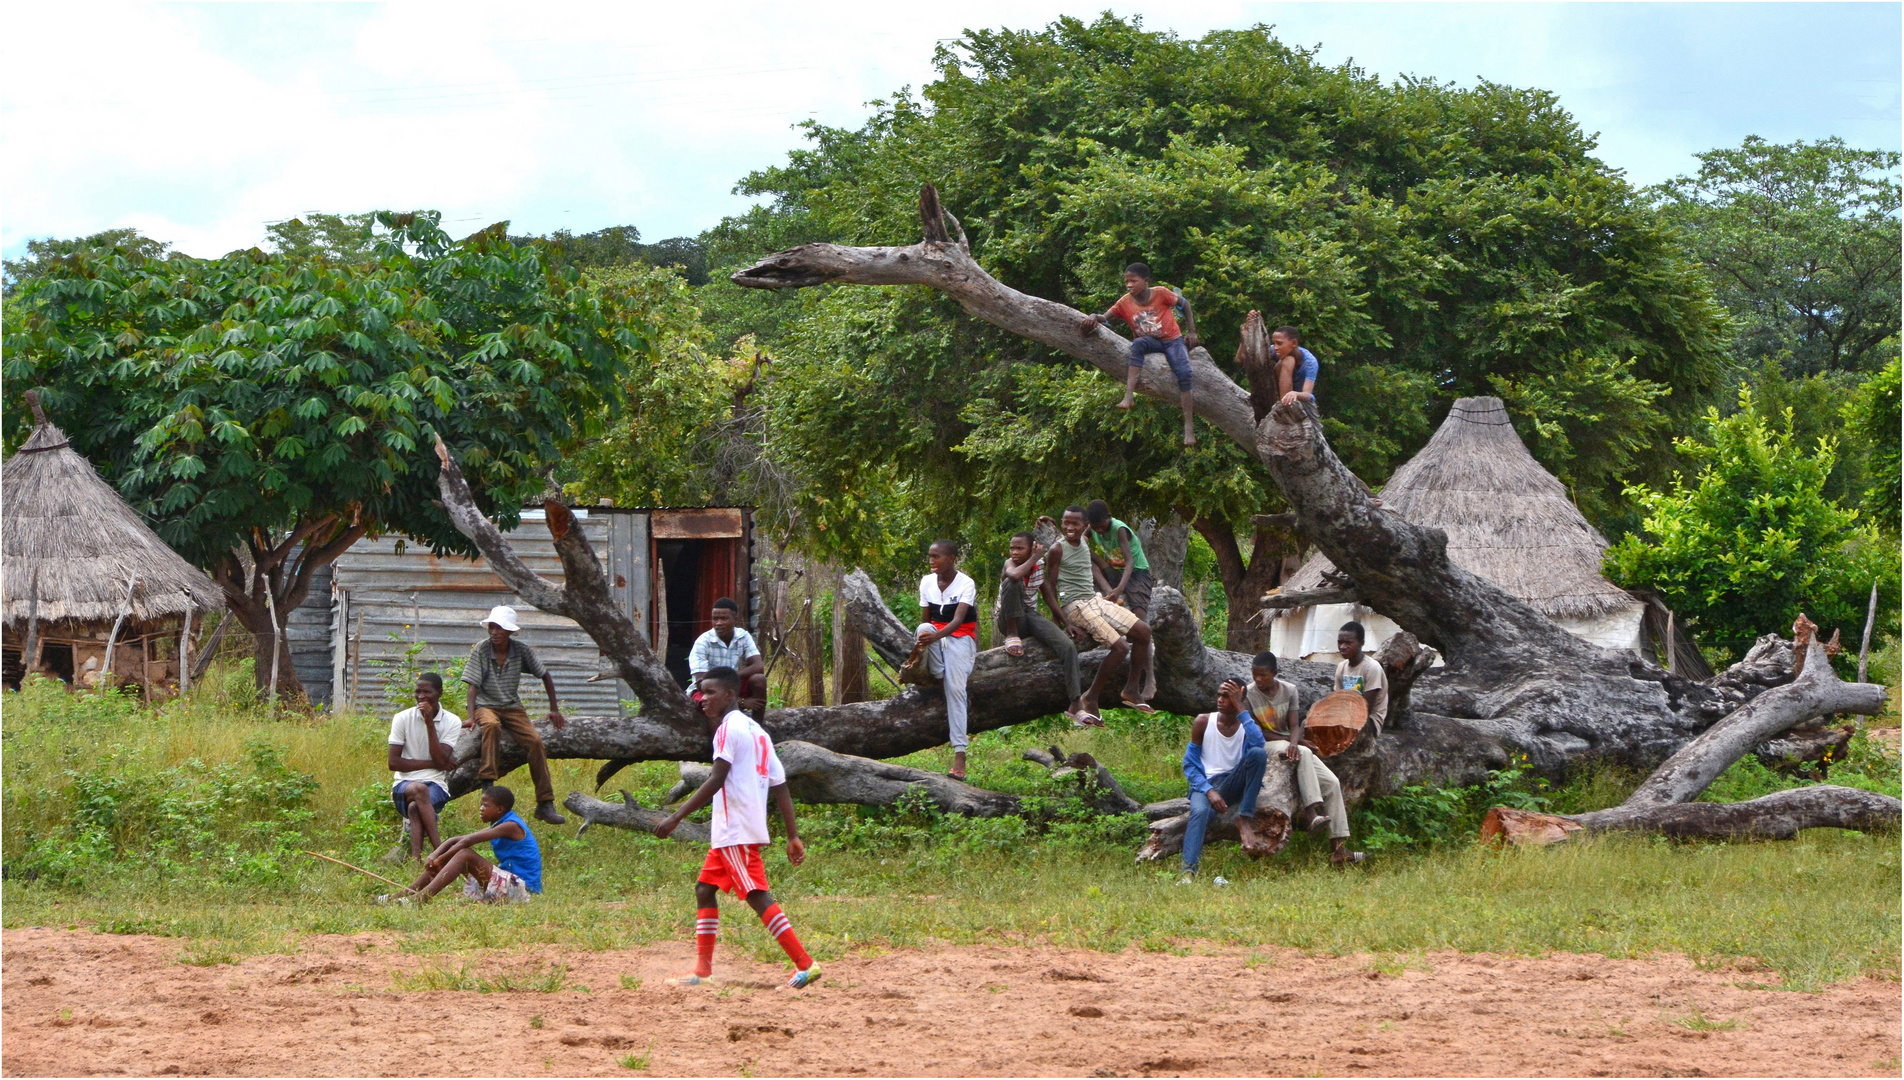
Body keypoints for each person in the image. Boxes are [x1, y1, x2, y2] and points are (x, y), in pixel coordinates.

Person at [656, 667, 820, 990]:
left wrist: (676, 817)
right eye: (701, 692)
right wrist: (792, 835)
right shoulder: (758, 732)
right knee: (704, 889)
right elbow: (780, 784)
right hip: (733, 830)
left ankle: (805, 963)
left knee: (757, 894)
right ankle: (703, 971)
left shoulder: (727, 730)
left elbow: (716, 779)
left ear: (730, 695)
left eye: (711, 693)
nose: (703, 699)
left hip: (736, 829)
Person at [1228, 653, 1363, 867]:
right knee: (1301, 751)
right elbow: (1257, 732)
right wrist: (1292, 743)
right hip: (1264, 746)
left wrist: (1294, 743)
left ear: (1274, 674)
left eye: (1263, 675)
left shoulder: (1289, 690)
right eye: (1255, 675)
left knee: (1332, 783)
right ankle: (1311, 812)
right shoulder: (1250, 695)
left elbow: (1294, 725)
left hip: (1290, 745)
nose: (1258, 679)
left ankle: (1338, 848)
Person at [461, 605, 567, 825]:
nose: (495, 632)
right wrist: (471, 716)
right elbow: (472, 686)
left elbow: (545, 675)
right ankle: (488, 781)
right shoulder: (482, 649)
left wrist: (554, 709)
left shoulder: (520, 650)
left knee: (535, 741)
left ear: (509, 631)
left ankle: (545, 803)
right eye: (492, 627)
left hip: (512, 706)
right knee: (490, 726)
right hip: (486, 705)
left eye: (500, 628)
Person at [1042, 506, 1155, 714]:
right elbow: (1049, 587)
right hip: (1075, 605)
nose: (1070, 527)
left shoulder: (1085, 542)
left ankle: (1131, 689)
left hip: (1095, 600)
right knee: (1121, 647)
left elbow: (1076, 542)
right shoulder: (1057, 550)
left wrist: (1111, 591)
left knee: (1144, 631)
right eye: (1065, 522)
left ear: (1086, 527)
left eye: (1075, 523)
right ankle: (1091, 696)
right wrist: (1061, 623)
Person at [1078, 262, 1201, 446]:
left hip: (1172, 340)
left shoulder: (1160, 293)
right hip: (1150, 342)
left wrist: (1191, 332)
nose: (1129, 285)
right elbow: (1105, 318)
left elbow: (1185, 304)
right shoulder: (1124, 302)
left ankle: (1189, 426)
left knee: (1184, 373)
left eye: (1133, 281)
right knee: (1138, 344)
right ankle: (1129, 395)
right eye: (1126, 282)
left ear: (1145, 281)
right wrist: (1094, 316)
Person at [386, 784, 541, 904]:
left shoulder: (510, 826)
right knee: (457, 854)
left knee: (465, 854)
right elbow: (455, 840)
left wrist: (441, 859)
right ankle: (399, 896)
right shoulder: (499, 823)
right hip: (508, 883)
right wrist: (434, 855)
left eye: (485, 805)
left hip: (522, 889)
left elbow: (468, 841)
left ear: (499, 809)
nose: (481, 809)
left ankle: (419, 899)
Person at [995, 532, 1090, 726]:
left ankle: (1075, 703)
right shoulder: (1010, 564)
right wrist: (1034, 557)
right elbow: (1013, 575)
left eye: (1019, 548)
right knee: (1011, 583)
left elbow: (1047, 595)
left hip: (1028, 615)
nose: (1014, 552)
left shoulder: (1038, 566)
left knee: (1067, 646)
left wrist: (1066, 623)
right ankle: (1012, 635)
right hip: (1008, 619)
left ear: (1031, 547)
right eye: (1012, 548)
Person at [1181, 679, 1271, 882]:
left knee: (1257, 754)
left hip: (1233, 783)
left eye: (1227, 696)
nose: (1220, 700)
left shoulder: (1247, 725)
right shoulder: (1203, 722)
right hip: (1207, 784)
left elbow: (1259, 744)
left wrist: (1240, 706)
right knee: (1200, 811)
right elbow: (1190, 765)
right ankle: (1188, 872)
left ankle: (1244, 817)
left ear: (1239, 698)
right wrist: (1208, 790)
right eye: (1219, 695)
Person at [915, 540, 978, 780]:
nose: (931, 560)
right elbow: (926, 620)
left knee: (954, 690)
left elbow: (959, 621)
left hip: (960, 638)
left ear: (951, 558)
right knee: (922, 627)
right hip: (936, 640)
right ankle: (943, 675)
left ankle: (959, 756)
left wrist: (935, 637)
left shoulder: (966, 583)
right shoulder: (926, 582)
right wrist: (929, 638)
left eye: (936, 556)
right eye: (930, 556)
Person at [387, 673, 462, 862]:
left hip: (436, 786)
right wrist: (433, 764)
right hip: (403, 785)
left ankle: (416, 859)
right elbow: (393, 763)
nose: (421, 696)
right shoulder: (402, 718)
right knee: (419, 790)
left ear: (439, 693)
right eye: (418, 691)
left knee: (415, 808)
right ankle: (441, 853)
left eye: (427, 692)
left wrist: (429, 723)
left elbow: (441, 758)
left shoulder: (452, 721)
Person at [688, 597, 767, 719]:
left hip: (730, 686)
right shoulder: (703, 642)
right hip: (706, 691)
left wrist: (731, 678)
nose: (719, 623)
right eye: (715, 619)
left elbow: (758, 666)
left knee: (759, 680)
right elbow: (702, 684)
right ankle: (717, 737)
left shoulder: (743, 636)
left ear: (735, 619)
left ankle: (757, 729)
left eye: (724, 618)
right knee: (715, 706)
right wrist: (740, 701)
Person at [1083, 499, 1153, 619]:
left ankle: (1116, 594)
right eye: (1096, 528)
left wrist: (1120, 589)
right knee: (1085, 554)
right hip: (1114, 571)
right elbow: (1079, 538)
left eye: (1102, 526)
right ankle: (1109, 592)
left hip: (1136, 573)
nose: (1099, 530)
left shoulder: (1119, 529)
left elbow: (1130, 562)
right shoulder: (1091, 528)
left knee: (1138, 614)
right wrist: (1083, 540)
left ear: (1109, 517)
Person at [1335, 621, 1389, 739]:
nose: (1342, 647)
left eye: (1348, 643)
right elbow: (1337, 701)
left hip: (1368, 722)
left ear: (1361, 643)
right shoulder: (1341, 667)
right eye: (1340, 642)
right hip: (1346, 717)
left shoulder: (1372, 668)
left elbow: (1365, 709)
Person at [1272, 325, 1319, 406]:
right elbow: (1243, 357)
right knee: (1287, 360)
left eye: (1279, 343)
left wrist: (1295, 394)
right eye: (1274, 343)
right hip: (1276, 398)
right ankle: (1283, 404)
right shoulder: (1276, 350)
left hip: (1303, 404)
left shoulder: (1310, 362)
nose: (1275, 347)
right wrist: (1247, 331)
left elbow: (1307, 394)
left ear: (1294, 343)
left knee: (1288, 360)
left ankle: (1286, 405)